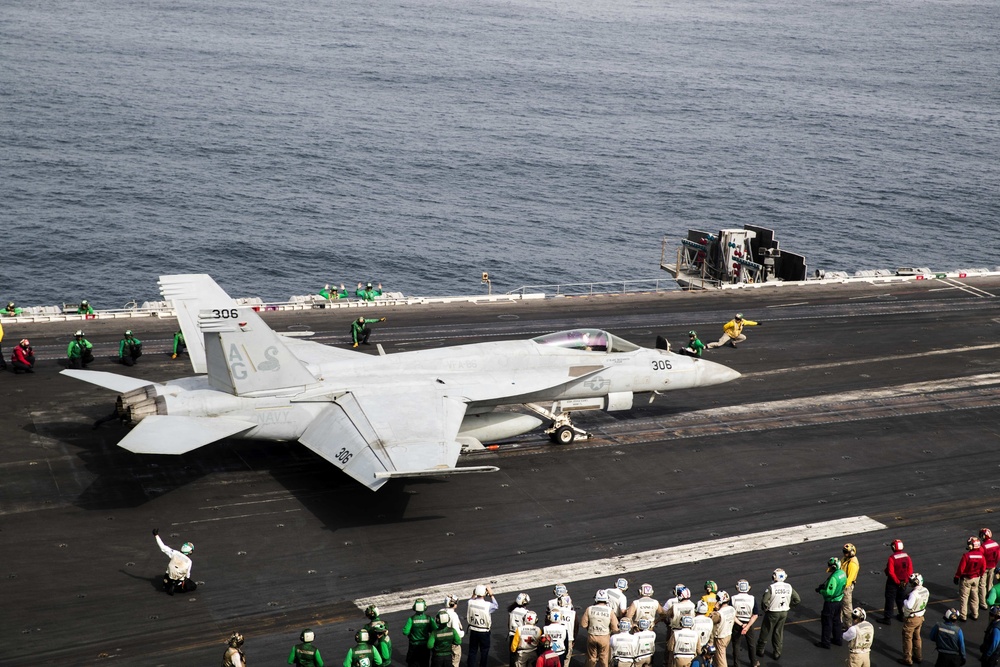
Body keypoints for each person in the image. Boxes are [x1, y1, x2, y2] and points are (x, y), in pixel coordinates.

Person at [755, 568, 799, 661]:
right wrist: (789, 605)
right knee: (778, 632)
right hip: (784, 612)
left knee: (765, 630)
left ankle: (760, 650)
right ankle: (777, 652)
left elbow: (764, 601)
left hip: (772, 612)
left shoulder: (771, 587)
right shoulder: (789, 587)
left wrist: (765, 609)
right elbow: (797, 599)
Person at [581, 589, 619, 667]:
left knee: (591, 658)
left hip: (592, 636)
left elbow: (583, 624)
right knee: (604, 658)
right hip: (604, 637)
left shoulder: (589, 609)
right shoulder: (610, 611)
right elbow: (615, 628)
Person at [152, 528, 196, 595]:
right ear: (190, 552)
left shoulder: (174, 553)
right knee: (193, 586)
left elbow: (163, 547)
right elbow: (187, 575)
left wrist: (156, 535)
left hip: (168, 578)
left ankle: (167, 584)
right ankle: (175, 586)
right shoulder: (189, 561)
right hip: (178, 582)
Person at [815, 556, 847, 649]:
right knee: (837, 621)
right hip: (839, 601)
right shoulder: (843, 573)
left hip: (831, 603)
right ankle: (838, 639)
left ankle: (825, 642)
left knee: (827, 622)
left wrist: (821, 591)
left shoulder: (834, 577)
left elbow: (829, 593)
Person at [881, 539, 914, 625]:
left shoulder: (892, 558)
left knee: (890, 599)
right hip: (904, 582)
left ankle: (887, 618)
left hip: (893, 582)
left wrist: (897, 581)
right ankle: (902, 614)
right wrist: (906, 581)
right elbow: (910, 570)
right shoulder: (907, 556)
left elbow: (891, 572)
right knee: (901, 599)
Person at [900, 572, 930, 665]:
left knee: (907, 638)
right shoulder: (926, 590)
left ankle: (907, 659)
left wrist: (904, 599)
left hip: (912, 618)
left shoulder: (914, 594)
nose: (910, 583)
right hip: (920, 616)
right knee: (917, 637)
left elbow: (909, 606)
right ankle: (918, 656)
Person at [467, 584, 498, 667]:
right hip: (484, 631)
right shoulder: (487, 605)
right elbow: (496, 606)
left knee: (472, 651)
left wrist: (474, 593)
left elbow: (470, 600)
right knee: (484, 651)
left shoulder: (470, 602)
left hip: (473, 630)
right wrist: (491, 594)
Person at [955, 536, 986, 621]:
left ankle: (963, 615)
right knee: (974, 596)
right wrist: (979, 575)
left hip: (966, 579)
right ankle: (975, 614)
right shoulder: (981, 556)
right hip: (976, 578)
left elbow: (961, 569)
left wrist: (957, 577)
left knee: (964, 597)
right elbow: (983, 568)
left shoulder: (966, 556)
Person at [731, 579, 760, 667]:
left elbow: (731, 614)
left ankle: (737, 664)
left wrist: (740, 624)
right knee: (751, 644)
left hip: (736, 623)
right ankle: (754, 663)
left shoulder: (733, 598)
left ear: (737, 587)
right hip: (748, 622)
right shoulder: (752, 598)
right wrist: (747, 626)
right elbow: (755, 614)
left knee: (736, 644)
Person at [404, 598, 437, 667]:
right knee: (424, 663)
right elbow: (435, 629)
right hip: (425, 645)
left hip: (413, 645)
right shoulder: (429, 618)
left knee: (413, 663)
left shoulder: (411, 619)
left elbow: (405, 632)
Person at [710, 591, 735, 667]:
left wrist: (715, 609)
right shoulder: (732, 609)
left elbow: (710, 620)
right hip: (728, 634)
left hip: (720, 637)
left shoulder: (719, 614)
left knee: (721, 659)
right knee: (717, 656)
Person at [509, 593, 534, 667]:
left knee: (512, 656)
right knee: (522, 656)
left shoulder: (512, 611)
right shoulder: (526, 613)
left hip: (512, 634)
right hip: (521, 636)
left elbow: (508, 623)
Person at [841, 543, 861, 628]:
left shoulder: (852, 564)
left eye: (846, 552)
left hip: (846, 587)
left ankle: (848, 626)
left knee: (847, 607)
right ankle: (839, 622)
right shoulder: (846, 558)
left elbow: (849, 579)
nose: (844, 553)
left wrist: (842, 587)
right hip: (842, 584)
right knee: (841, 605)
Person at [445, 594, 465, 667]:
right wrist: (462, 633)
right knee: (455, 661)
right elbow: (456, 631)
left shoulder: (440, 611)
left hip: (442, 642)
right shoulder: (453, 615)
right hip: (452, 642)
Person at [982, 529, 1000, 612]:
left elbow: (981, 559)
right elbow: (998, 556)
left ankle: (983, 603)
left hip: (985, 567)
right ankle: (991, 596)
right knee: (990, 583)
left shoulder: (983, 546)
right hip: (992, 566)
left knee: (982, 585)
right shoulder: (995, 544)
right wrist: (994, 564)